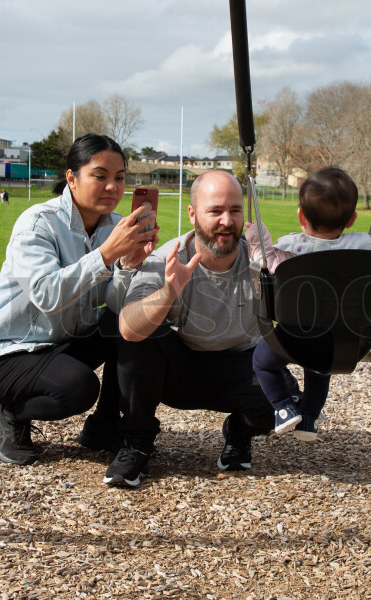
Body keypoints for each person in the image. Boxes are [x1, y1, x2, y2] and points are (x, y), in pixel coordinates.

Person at [0, 133, 157, 466]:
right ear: (71, 178)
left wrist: (127, 266)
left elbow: (114, 304)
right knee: (78, 388)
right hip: (4, 352)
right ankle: (10, 415)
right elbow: (46, 295)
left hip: (58, 341)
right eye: (99, 176)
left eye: (119, 178)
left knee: (129, 325)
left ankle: (104, 427)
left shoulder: (115, 226)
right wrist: (105, 255)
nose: (112, 187)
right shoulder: (38, 223)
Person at [104, 169, 291, 488]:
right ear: (192, 214)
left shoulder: (261, 260)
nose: (227, 221)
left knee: (285, 400)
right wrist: (168, 293)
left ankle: (240, 430)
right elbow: (128, 329)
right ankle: (136, 443)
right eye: (215, 211)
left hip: (239, 364)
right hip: (180, 371)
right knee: (145, 331)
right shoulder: (166, 258)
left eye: (235, 210)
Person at [245, 166, 371, 441]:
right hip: (339, 341)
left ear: (300, 215)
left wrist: (259, 238)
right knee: (320, 369)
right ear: (352, 220)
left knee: (262, 362)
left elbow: (266, 262)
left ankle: (283, 408)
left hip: (292, 337)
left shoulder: (290, 250)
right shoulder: (363, 251)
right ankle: (308, 419)